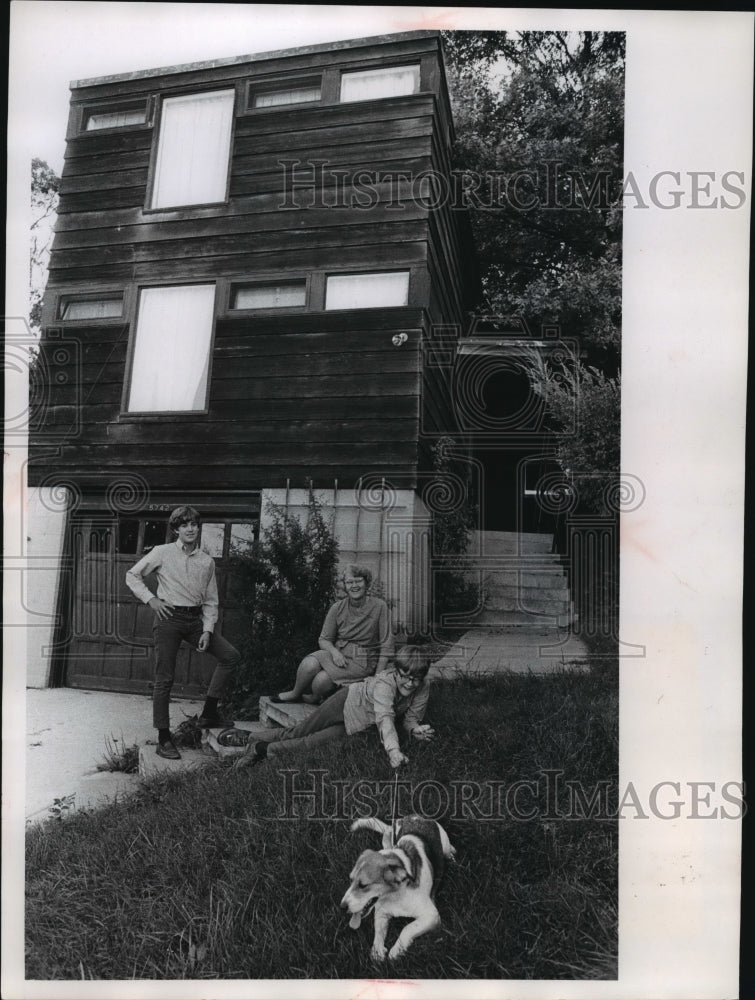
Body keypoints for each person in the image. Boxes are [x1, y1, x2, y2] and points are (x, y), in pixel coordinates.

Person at [125, 505, 241, 760]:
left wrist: (207, 630)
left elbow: (211, 600)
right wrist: (151, 600)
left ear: (198, 529)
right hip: (169, 619)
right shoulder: (162, 552)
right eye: (184, 524)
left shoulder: (206, 561)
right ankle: (163, 738)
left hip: (194, 620)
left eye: (194, 524)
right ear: (176, 529)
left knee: (230, 656)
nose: (190, 529)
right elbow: (132, 576)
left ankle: (209, 712)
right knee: (164, 678)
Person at [239, 645, 435, 769]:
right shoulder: (385, 684)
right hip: (345, 701)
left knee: (313, 743)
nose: (410, 684)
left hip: (359, 722)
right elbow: (385, 719)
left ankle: (260, 749)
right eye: (405, 676)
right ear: (395, 671)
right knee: (299, 731)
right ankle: (247, 739)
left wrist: (414, 730)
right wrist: (393, 751)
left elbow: (410, 718)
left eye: (415, 679)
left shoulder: (423, 686)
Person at [275, 564, 394, 704]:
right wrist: (334, 653)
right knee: (309, 664)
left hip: (362, 660)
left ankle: (317, 697)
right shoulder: (337, 607)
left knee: (320, 682)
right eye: (350, 582)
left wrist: (377, 678)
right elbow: (324, 639)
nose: (354, 586)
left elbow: (387, 646)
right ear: (345, 586)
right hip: (339, 654)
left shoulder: (380, 606)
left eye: (358, 581)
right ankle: (295, 693)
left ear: (366, 583)